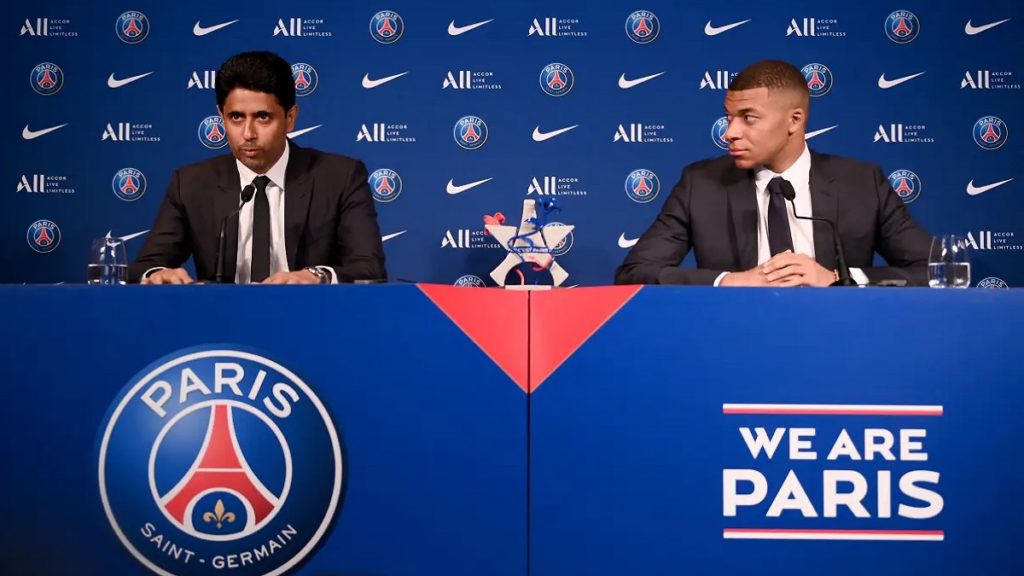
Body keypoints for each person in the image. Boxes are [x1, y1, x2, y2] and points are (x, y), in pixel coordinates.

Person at [615, 60, 931, 287]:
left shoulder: (861, 183)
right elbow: (635, 272)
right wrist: (732, 281)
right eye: (729, 117)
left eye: (748, 118)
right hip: (737, 336)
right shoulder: (701, 184)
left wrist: (838, 279)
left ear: (794, 120)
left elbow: (938, 270)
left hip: (835, 337)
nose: (730, 133)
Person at [129, 51, 386, 284]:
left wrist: (317, 276)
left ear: (290, 118)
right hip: (221, 318)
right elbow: (144, 267)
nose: (248, 134)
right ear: (221, 116)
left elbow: (369, 268)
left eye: (263, 117)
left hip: (309, 314)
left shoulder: (340, 177)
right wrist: (157, 274)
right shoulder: (191, 184)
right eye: (236, 117)